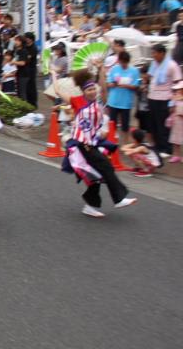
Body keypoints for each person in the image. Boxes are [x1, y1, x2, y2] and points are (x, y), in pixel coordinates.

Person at [54, 65, 136, 218]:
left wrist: (102, 71)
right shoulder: (77, 101)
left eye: (93, 89)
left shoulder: (98, 103)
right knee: (105, 167)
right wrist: (53, 74)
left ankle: (90, 206)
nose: (92, 91)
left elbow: (104, 90)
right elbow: (58, 91)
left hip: (94, 142)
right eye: (89, 90)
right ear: (83, 91)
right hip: (82, 145)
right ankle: (118, 198)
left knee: (95, 175)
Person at [148, 44, 182, 157]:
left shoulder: (172, 65)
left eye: (155, 53)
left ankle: (166, 149)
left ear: (162, 53)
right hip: (152, 97)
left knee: (163, 124)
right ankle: (158, 146)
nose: (153, 55)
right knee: (154, 124)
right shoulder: (154, 64)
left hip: (165, 98)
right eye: (152, 53)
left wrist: (173, 102)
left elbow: (178, 83)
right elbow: (150, 78)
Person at [106, 51, 140, 144]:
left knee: (125, 125)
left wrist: (126, 85)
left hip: (126, 102)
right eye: (122, 62)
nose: (123, 64)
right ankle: (112, 142)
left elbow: (136, 85)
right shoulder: (114, 69)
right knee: (112, 124)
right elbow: (108, 83)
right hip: (114, 101)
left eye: (125, 62)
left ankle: (125, 143)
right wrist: (113, 84)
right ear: (119, 61)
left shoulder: (134, 71)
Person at [169, 81, 183, 163]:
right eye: (177, 89)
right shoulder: (176, 99)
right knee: (175, 139)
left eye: (179, 89)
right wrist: (173, 103)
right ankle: (176, 155)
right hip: (176, 121)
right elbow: (171, 110)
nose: (177, 91)